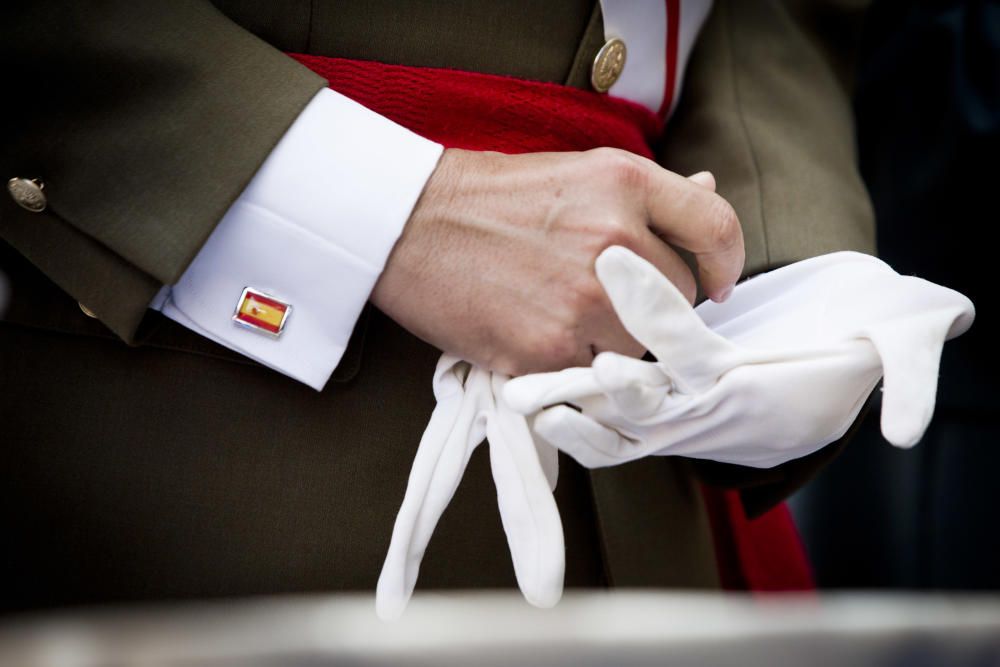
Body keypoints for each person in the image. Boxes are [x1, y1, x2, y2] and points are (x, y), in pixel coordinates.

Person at [0, 0, 874, 611]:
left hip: (655, 485)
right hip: (195, 459)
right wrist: (388, 213)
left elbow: (768, 20)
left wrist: (781, 273)